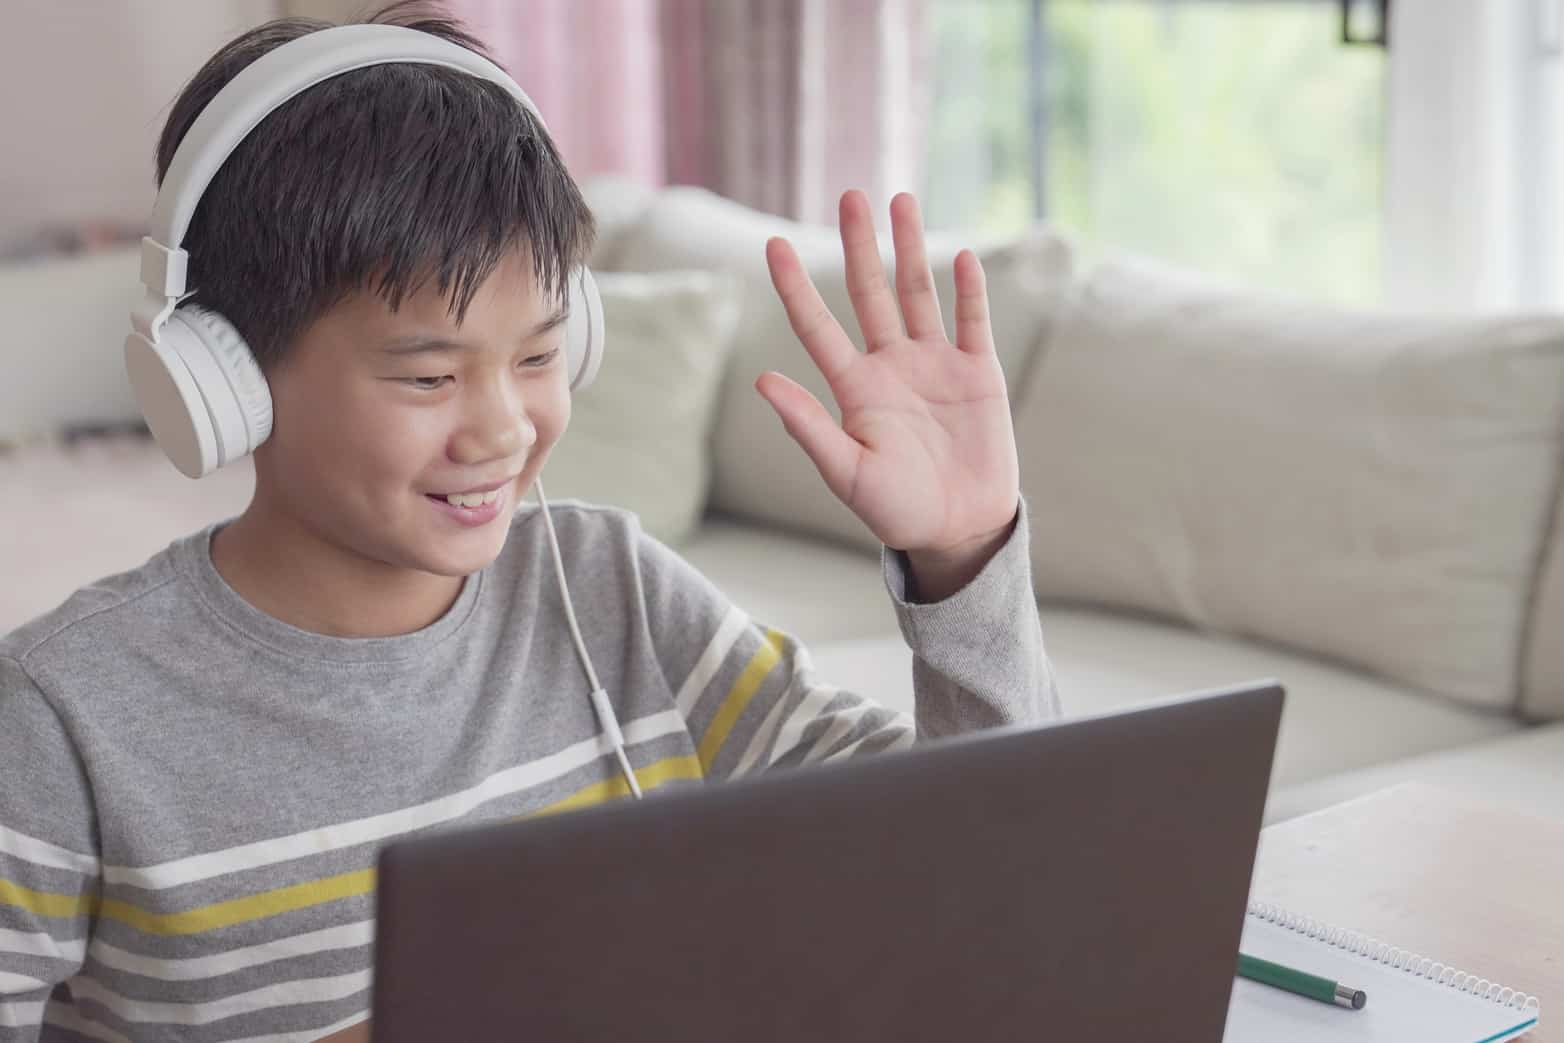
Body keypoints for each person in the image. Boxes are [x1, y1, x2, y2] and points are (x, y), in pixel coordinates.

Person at [0, 2, 1060, 1040]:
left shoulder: (613, 591)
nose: (502, 429)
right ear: (222, 376)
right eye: (426, 376)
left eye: (541, 355)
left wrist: (961, 553)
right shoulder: (60, 714)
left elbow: (972, 865)